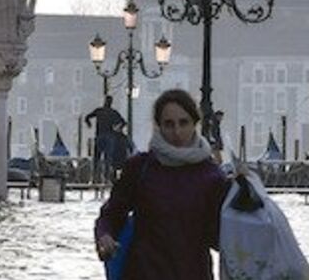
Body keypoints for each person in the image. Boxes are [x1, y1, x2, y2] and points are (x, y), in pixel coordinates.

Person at [94, 89, 229, 279]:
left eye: (183, 123)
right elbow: (112, 213)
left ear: (194, 123)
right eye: (169, 124)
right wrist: (105, 236)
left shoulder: (212, 177)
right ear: (158, 126)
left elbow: (219, 238)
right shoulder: (140, 168)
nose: (177, 132)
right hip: (142, 272)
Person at [85, 94, 128, 178]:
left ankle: (94, 177)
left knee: (96, 157)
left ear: (104, 101)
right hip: (109, 136)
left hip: (99, 135)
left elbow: (87, 117)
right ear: (111, 103)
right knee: (108, 158)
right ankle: (106, 177)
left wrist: (89, 124)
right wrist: (118, 128)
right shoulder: (113, 112)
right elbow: (123, 122)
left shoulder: (99, 111)